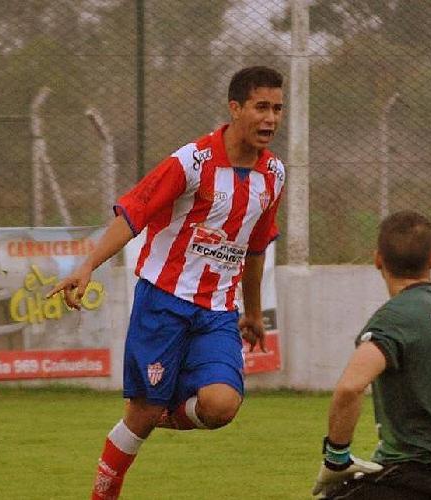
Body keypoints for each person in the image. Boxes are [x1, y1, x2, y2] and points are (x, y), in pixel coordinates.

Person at [46, 66, 286, 500]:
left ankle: (156, 410)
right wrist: (88, 265)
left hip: (216, 311)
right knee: (140, 416)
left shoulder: (274, 176)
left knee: (221, 405)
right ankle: (106, 490)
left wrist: (252, 312)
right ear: (235, 108)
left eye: (277, 109)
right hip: (163, 302)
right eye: (261, 107)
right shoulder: (192, 161)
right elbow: (134, 212)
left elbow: (255, 248)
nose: (270, 119)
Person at [311, 210, 431, 500]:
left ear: (378, 260)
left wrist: (336, 458)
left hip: (409, 477)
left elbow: (350, 387)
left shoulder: (396, 319)